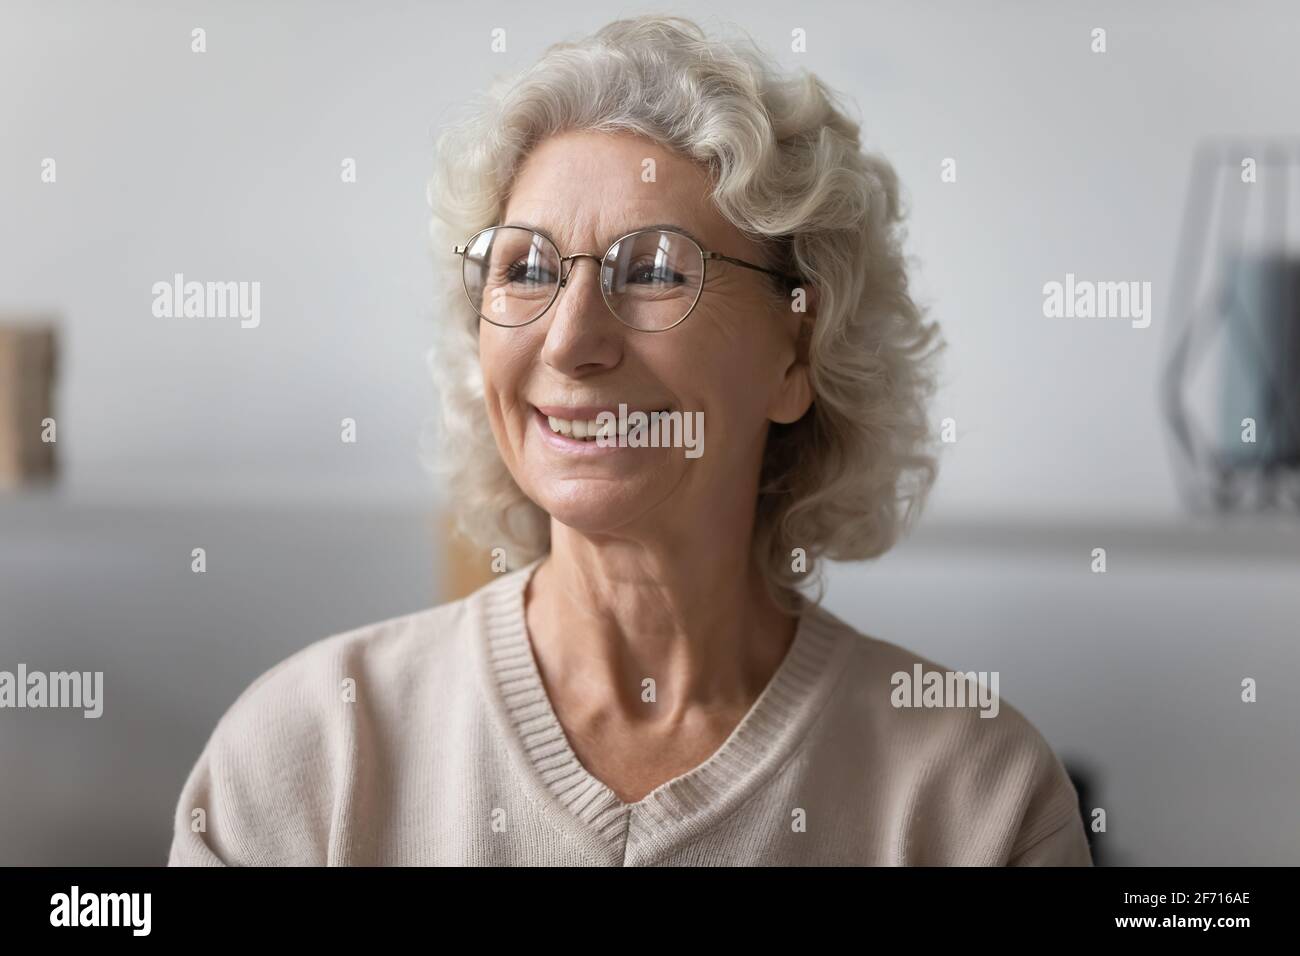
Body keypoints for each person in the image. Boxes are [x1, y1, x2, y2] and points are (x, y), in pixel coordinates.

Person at [167, 14, 1092, 866]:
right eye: (524, 268)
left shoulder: (978, 800)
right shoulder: (305, 757)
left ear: (797, 354)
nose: (570, 339)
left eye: (651, 271)